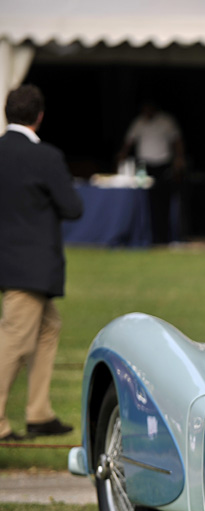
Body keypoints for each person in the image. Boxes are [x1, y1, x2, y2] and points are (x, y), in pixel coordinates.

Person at [0, 84, 83, 441]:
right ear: (40, 116)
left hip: (8, 261)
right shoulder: (46, 157)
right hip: (30, 265)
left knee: (48, 327)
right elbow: (73, 207)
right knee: (14, 339)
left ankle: (39, 412)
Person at [117, 101, 185, 244]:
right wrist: (122, 156)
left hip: (162, 164)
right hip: (144, 166)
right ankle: (146, 236)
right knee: (145, 200)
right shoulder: (139, 122)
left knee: (162, 202)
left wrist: (179, 159)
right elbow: (129, 141)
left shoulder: (166, 121)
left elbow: (177, 141)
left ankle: (164, 237)